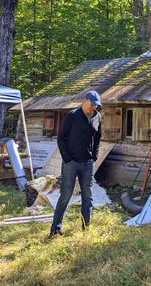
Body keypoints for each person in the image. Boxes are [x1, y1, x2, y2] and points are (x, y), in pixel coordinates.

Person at [50, 91, 102, 237]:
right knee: (65, 195)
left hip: (87, 164)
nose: (93, 108)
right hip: (71, 163)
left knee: (87, 195)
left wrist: (94, 155)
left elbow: (98, 137)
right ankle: (55, 229)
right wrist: (67, 158)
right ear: (84, 101)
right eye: (92, 104)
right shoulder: (72, 116)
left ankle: (86, 228)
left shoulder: (97, 117)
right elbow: (61, 138)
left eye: (96, 105)